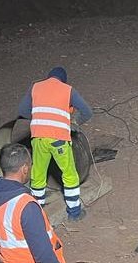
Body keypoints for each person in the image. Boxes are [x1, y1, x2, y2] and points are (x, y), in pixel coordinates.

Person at [18, 66, 93, 221]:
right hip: (59, 139)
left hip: (38, 138)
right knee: (69, 174)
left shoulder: (36, 87)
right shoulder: (68, 90)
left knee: (38, 173)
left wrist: (40, 119)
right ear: (63, 80)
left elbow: (23, 110)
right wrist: (74, 122)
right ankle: (75, 213)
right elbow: (87, 111)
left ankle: (37, 211)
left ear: (48, 77)